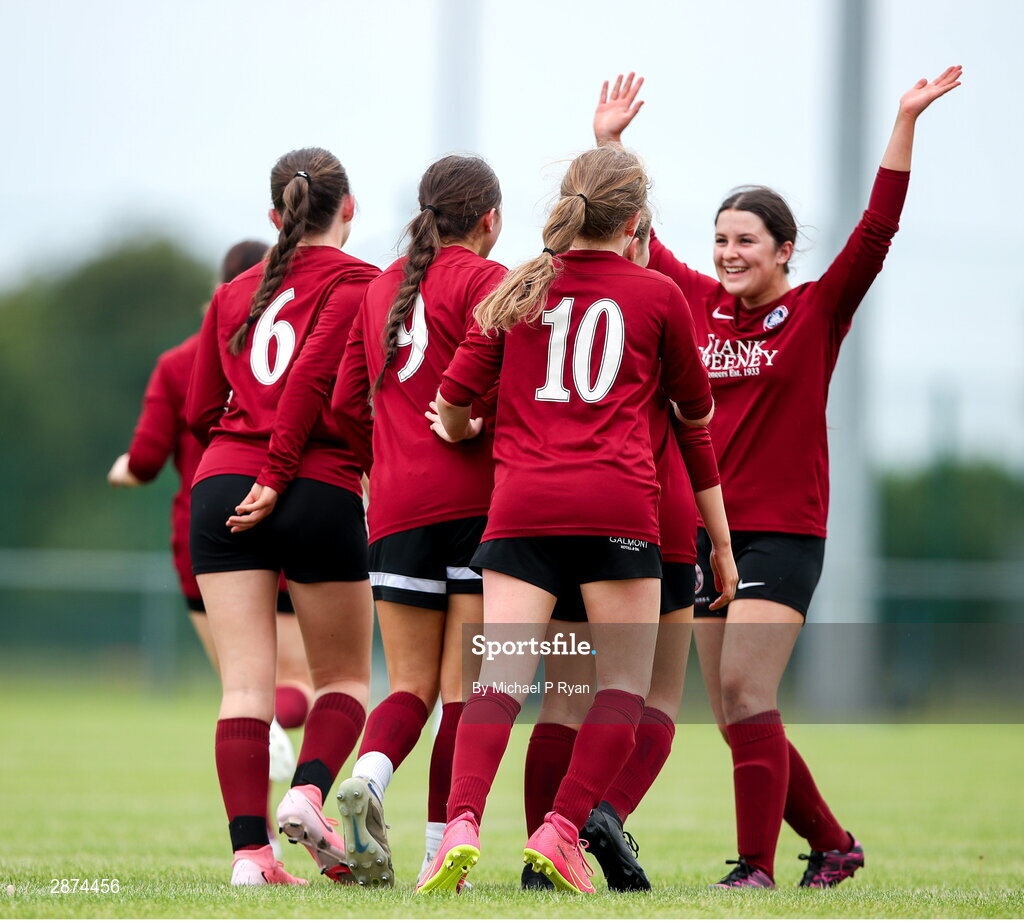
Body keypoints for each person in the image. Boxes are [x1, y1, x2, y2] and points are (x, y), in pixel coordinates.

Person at [594, 67, 963, 888]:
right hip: (711, 536)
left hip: (787, 531)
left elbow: (877, 228)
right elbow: (634, 231)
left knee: (740, 687)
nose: (728, 254)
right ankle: (833, 844)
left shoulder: (817, 309)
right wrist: (610, 145)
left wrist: (904, 119)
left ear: (784, 249)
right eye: (721, 239)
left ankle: (753, 868)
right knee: (737, 712)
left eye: (747, 241)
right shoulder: (692, 300)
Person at [415, 144, 714, 895]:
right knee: (620, 685)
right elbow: (694, 411)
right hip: (616, 506)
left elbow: (452, 402)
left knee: (498, 685)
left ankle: (460, 822)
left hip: (521, 509)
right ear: (637, 219)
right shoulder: (656, 296)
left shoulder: (521, 286)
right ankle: (560, 829)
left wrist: (459, 429)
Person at [521, 213, 737, 893]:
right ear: (639, 236)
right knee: (654, 698)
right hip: (651, 521)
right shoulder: (657, 309)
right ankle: (596, 816)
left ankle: (541, 853)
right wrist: (722, 543)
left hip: (553, 519)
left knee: (560, 700)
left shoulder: (540, 302)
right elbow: (696, 435)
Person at [185, 147, 379, 886]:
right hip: (319, 481)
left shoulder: (233, 291)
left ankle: (250, 855)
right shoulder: (364, 282)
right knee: (344, 680)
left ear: (275, 217)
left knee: (244, 687)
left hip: (222, 480)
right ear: (350, 207)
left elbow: (203, 408)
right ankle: (306, 793)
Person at [330, 154, 504, 887]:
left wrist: (385, 458)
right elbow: (512, 391)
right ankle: (442, 856)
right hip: (474, 506)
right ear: (489, 220)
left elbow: (343, 403)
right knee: (461, 692)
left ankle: (369, 775)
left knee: (407, 684)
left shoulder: (378, 287)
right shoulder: (490, 281)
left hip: (395, 508)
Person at [107, 241, 312, 785]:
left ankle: (255, 843)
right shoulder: (301, 343)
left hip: (205, 533)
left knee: (241, 691)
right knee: (308, 686)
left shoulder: (180, 361)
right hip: (288, 516)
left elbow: (148, 460)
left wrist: (122, 468)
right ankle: (282, 740)